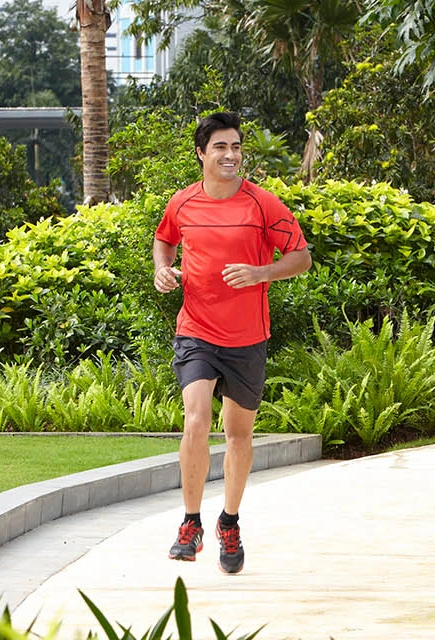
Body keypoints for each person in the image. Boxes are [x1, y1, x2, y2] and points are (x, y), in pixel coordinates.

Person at [152, 111, 312, 574]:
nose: (231, 155)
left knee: (239, 435)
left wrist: (261, 272)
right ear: (201, 154)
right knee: (196, 419)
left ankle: (230, 521)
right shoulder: (182, 204)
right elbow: (164, 241)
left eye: (236, 147)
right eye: (220, 147)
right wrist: (163, 269)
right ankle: (190, 522)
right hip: (196, 330)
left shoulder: (263, 205)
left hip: (247, 338)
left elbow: (300, 257)